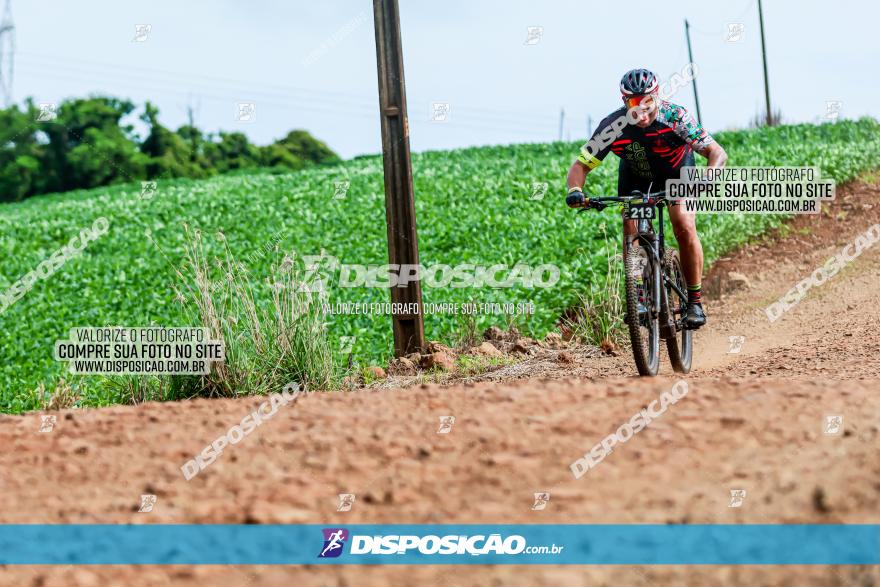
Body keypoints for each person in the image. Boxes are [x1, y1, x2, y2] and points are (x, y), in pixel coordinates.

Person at [565, 68, 727, 329]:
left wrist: (708, 177)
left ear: (657, 97)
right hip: (636, 177)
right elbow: (580, 167)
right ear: (624, 102)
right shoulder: (613, 126)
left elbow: (717, 153)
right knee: (630, 226)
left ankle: (694, 302)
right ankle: (638, 294)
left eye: (647, 102)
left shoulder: (676, 116)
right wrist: (575, 190)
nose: (641, 110)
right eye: (633, 103)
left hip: (677, 174)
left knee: (683, 223)